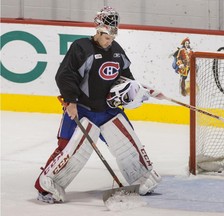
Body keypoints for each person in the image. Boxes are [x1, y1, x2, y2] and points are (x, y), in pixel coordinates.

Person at [34, 6, 161, 204]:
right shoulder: (81, 48)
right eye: (106, 37)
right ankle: (47, 187)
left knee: (128, 143)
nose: (109, 42)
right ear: (98, 31)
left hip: (108, 110)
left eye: (112, 38)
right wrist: (71, 101)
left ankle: (141, 179)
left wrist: (143, 91)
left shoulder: (117, 50)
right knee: (69, 149)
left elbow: (126, 79)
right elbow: (65, 75)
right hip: (82, 109)